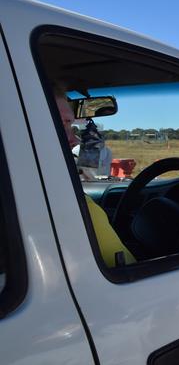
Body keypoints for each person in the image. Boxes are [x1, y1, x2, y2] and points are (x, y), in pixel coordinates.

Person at [53, 86, 136, 268]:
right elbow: (129, 273)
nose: (73, 139)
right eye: (62, 123)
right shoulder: (80, 210)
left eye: (70, 124)